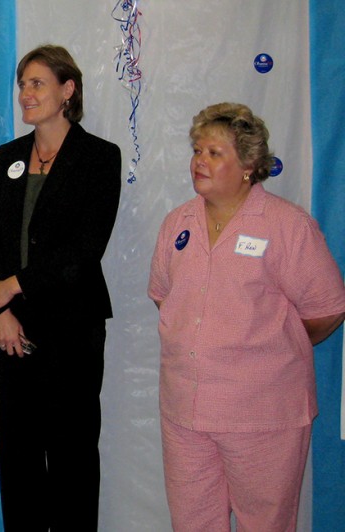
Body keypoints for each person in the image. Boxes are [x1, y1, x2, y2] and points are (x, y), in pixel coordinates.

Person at [148, 102, 345, 531]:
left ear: (249, 164)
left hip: (263, 413)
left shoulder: (287, 226)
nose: (199, 160)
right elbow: (165, 297)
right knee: (192, 523)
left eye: (214, 153)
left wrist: (271, 346)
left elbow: (327, 310)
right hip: (186, 411)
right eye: (197, 150)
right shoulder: (176, 223)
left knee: (266, 524)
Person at [0, 45, 121, 531]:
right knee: (18, 457)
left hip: (71, 330)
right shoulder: (9, 157)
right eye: (22, 84)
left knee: (72, 456)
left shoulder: (99, 157)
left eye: (37, 83)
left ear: (67, 90)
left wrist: (11, 288)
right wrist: (0, 313)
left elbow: (84, 252)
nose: (25, 93)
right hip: (9, 329)